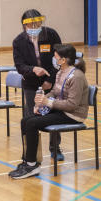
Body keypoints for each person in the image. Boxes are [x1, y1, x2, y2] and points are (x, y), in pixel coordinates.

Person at [9, 44, 89, 179]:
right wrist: (41, 102)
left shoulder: (77, 77)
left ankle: (32, 165)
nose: (53, 59)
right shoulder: (60, 73)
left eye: (55, 57)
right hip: (61, 110)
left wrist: (48, 103)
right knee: (26, 120)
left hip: (73, 115)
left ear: (63, 60)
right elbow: (54, 92)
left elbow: (72, 105)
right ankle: (29, 161)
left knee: (32, 124)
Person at [12, 9, 64, 162]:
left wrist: (51, 80)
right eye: (31, 24)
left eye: (38, 22)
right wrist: (33, 69)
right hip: (30, 84)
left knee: (54, 114)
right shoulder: (18, 41)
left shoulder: (51, 35)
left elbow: (60, 60)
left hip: (51, 82)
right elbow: (20, 66)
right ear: (24, 25)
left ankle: (55, 148)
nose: (35, 25)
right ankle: (31, 153)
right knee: (30, 117)